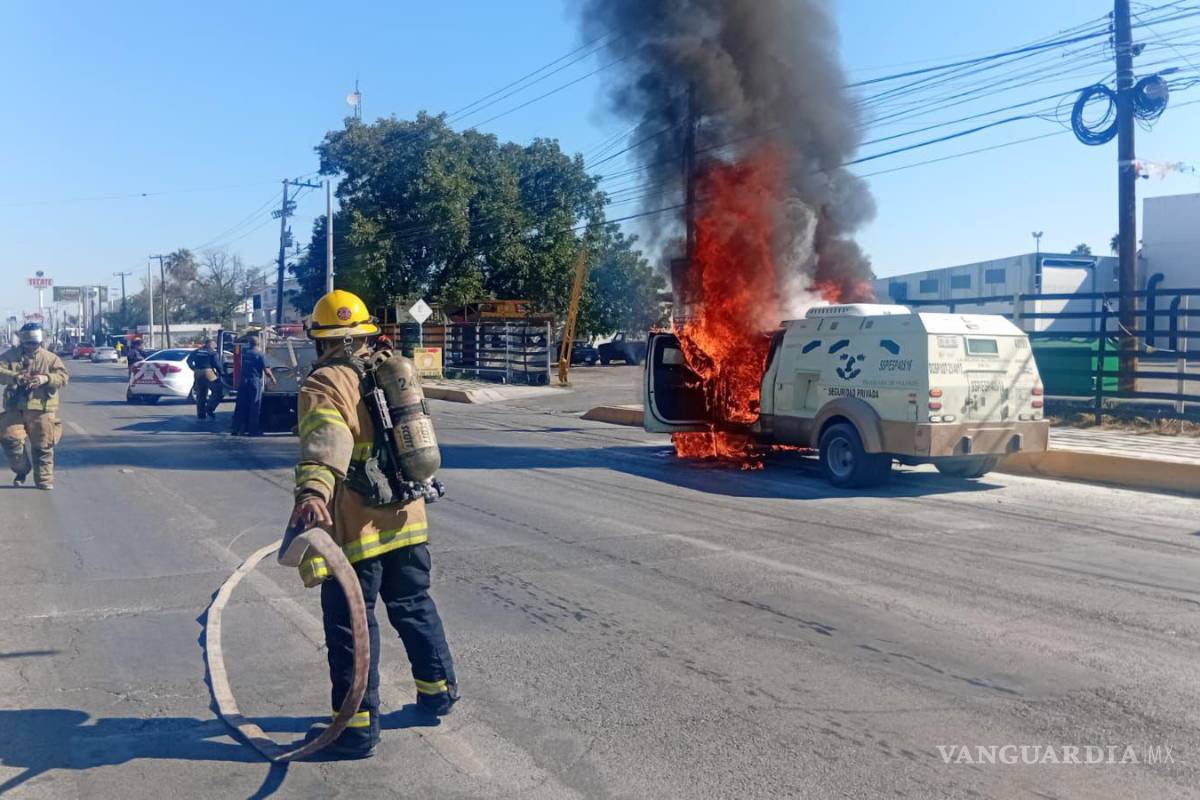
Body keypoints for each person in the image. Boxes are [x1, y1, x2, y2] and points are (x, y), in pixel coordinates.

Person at [288, 289, 457, 760]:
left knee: (351, 627)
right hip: (408, 517)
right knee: (413, 606)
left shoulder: (325, 383)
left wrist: (312, 494)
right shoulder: (390, 371)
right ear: (362, 334)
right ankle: (438, 691)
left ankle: (356, 729)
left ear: (322, 340)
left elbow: (327, 442)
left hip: (356, 531)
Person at [0, 323, 70, 490]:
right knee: (11, 440)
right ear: (22, 340)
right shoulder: (10, 356)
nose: (31, 346)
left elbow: (63, 377)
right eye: (28, 343)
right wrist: (15, 377)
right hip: (14, 407)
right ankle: (22, 470)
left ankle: (44, 480)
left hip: (42, 408)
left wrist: (45, 379)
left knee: (43, 446)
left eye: (34, 343)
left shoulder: (50, 358)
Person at [230, 335, 275, 436]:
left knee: (241, 404)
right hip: (254, 382)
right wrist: (272, 378)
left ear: (249, 344)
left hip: (243, 381)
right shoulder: (260, 355)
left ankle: (236, 428)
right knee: (254, 405)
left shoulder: (245, 354)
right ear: (258, 343)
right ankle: (253, 430)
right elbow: (266, 370)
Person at [186, 338, 224, 420]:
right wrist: (222, 373)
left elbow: (188, 360)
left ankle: (201, 414)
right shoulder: (212, 353)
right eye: (214, 345)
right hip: (208, 372)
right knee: (219, 391)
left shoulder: (196, 351)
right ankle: (210, 408)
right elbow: (216, 364)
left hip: (197, 373)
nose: (215, 347)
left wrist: (193, 368)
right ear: (211, 344)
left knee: (200, 394)